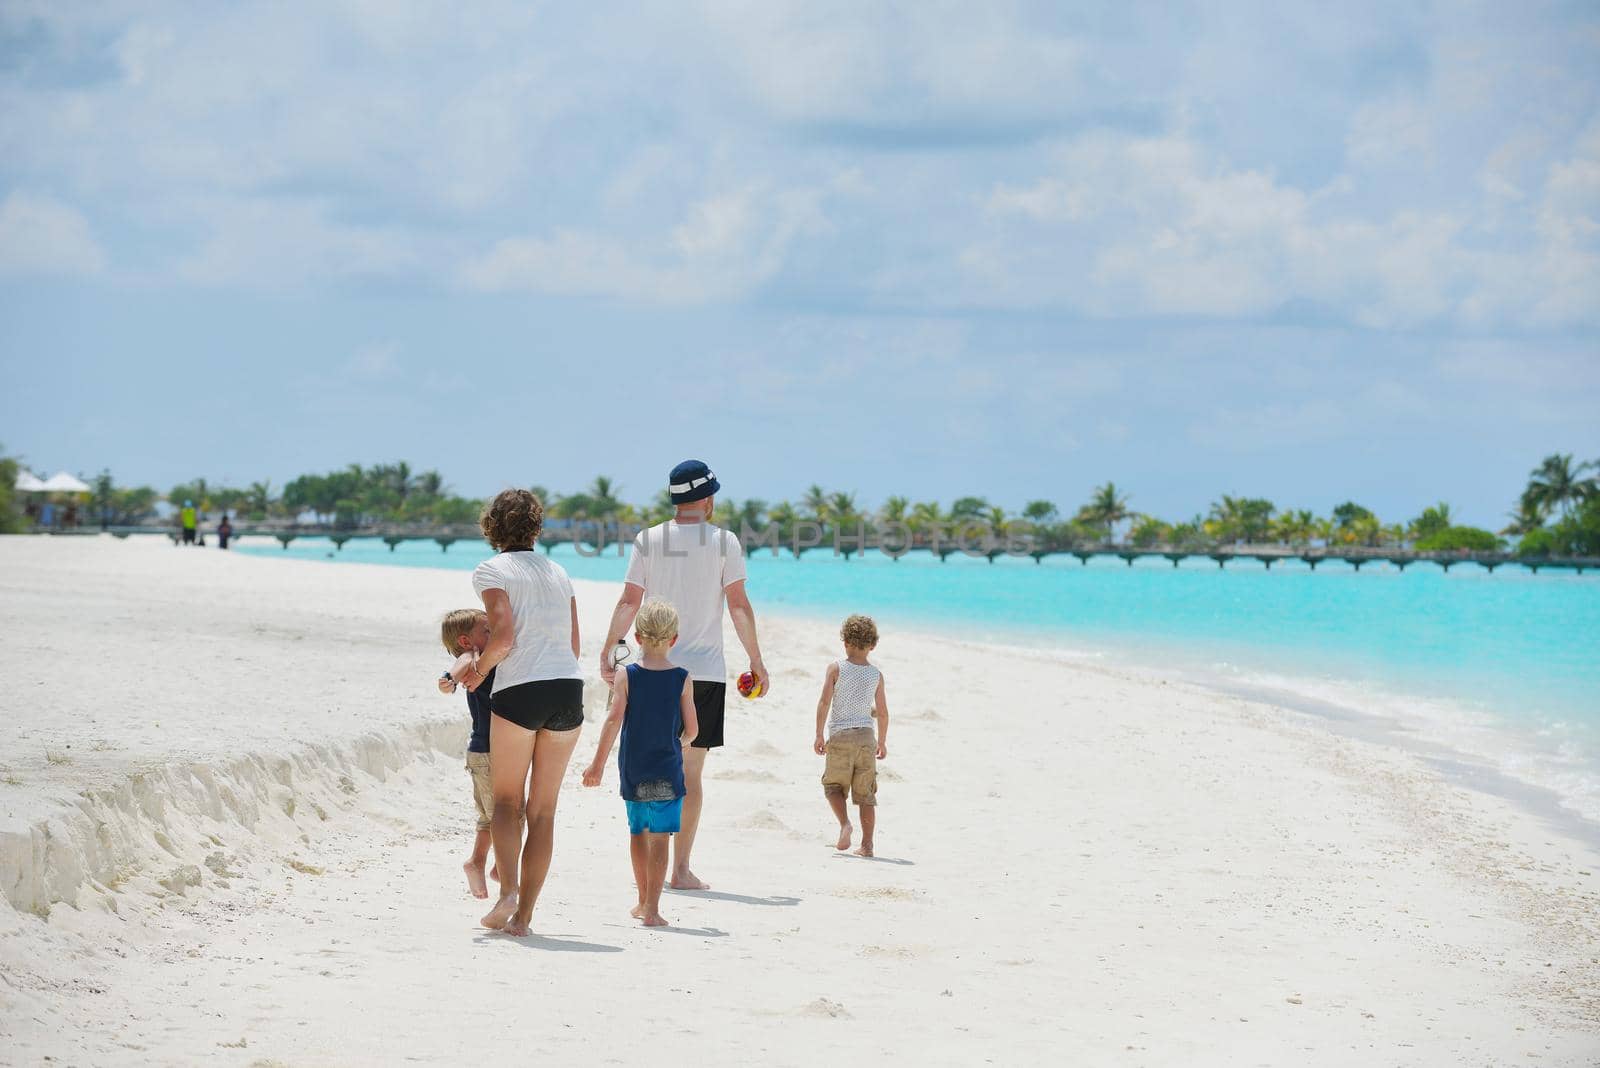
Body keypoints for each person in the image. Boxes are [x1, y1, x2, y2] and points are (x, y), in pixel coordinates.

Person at [600, 459, 768, 891]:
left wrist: (609, 648)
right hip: (706, 673)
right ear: (707, 499)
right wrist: (756, 660)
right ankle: (679, 869)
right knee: (690, 772)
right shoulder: (724, 542)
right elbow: (739, 606)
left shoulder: (648, 539)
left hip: (651, 670)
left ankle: (648, 865)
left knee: (649, 764)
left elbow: (628, 601)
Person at [460, 488, 584, 937]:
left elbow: (505, 634)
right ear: (536, 524)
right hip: (568, 689)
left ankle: (508, 891)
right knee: (544, 811)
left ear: (491, 525)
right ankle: (525, 918)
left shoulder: (491, 569)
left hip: (521, 691)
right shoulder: (559, 571)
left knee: (508, 802)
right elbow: (574, 646)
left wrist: (479, 670)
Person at [582, 599, 698, 927]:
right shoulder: (683, 678)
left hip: (634, 767)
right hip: (667, 768)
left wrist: (597, 765)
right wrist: (679, 744)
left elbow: (612, 720)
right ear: (674, 639)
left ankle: (640, 899)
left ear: (636, 637)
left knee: (638, 832)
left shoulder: (626, 676)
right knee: (661, 837)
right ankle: (653, 908)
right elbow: (693, 730)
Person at [436, 607, 509, 900]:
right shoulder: (472, 659)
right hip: (486, 752)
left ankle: (489, 866)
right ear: (467, 641)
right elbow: (459, 665)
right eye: (487, 631)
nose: (492, 635)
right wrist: (449, 680)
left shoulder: (490, 659)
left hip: (491, 750)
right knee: (501, 816)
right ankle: (485, 865)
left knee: (498, 816)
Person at [813, 614, 889, 858]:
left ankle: (845, 824)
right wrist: (883, 742)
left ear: (844, 641)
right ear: (873, 645)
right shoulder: (876, 675)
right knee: (866, 794)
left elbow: (825, 702)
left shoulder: (836, 668)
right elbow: (883, 713)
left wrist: (818, 734)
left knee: (833, 786)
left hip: (840, 736)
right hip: (867, 738)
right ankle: (867, 846)